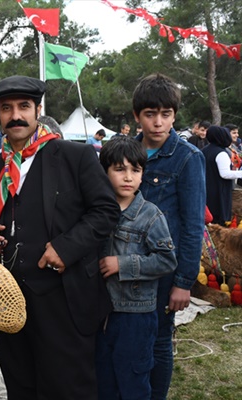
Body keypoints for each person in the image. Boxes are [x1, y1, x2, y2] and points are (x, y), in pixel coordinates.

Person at [0, 75, 120, 399]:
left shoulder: (74, 156)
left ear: (37, 110)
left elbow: (106, 211)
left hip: (64, 298)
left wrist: (65, 247)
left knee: (67, 388)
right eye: (6, 108)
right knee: (20, 385)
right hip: (9, 297)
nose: (16, 115)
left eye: (24, 107)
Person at [132, 73, 205, 399]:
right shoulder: (125, 152)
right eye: (150, 114)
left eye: (165, 114)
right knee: (127, 336)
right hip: (124, 263)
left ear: (175, 115)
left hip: (163, 270)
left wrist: (184, 281)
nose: (158, 122)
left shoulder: (188, 157)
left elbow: (192, 225)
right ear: (137, 116)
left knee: (160, 339)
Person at [96, 136, 177, 400]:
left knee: (134, 382)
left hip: (136, 316)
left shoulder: (151, 215)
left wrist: (123, 264)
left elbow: (166, 260)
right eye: (120, 169)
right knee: (104, 381)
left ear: (143, 174)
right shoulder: (96, 211)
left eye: (136, 170)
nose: (128, 177)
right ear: (105, 171)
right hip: (101, 313)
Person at [202, 125, 242, 226]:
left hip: (206, 189)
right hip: (218, 192)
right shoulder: (221, 153)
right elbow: (225, 174)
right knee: (218, 222)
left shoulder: (204, 150)